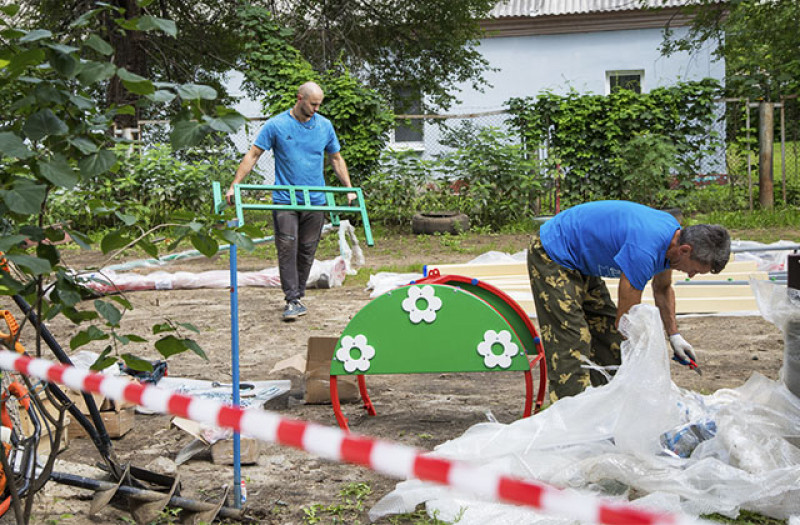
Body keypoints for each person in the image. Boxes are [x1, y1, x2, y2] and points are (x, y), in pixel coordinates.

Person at [526, 200, 731, 402]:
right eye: (694, 269)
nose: (691, 275)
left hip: (582, 260)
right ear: (685, 250)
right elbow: (625, 323)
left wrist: (674, 335)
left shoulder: (673, 241)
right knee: (572, 339)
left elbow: (662, 288)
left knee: (611, 344)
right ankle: (569, 418)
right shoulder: (644, 250)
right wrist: (647, 363)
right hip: (553, 251)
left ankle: (606, 405)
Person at [226, 81, 356, 321]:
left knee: (307, 250)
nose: (316, 109)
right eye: (312, 104)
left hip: (315, 200)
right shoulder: (276, 125)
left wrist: (349, 189)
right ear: (299, 99)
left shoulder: (325, 126)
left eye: (319, 105)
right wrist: (235, 184)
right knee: (287, 247)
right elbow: (254, 154)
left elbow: (336, 159)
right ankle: (292, 299)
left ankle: (298, 293)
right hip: (285, 200)